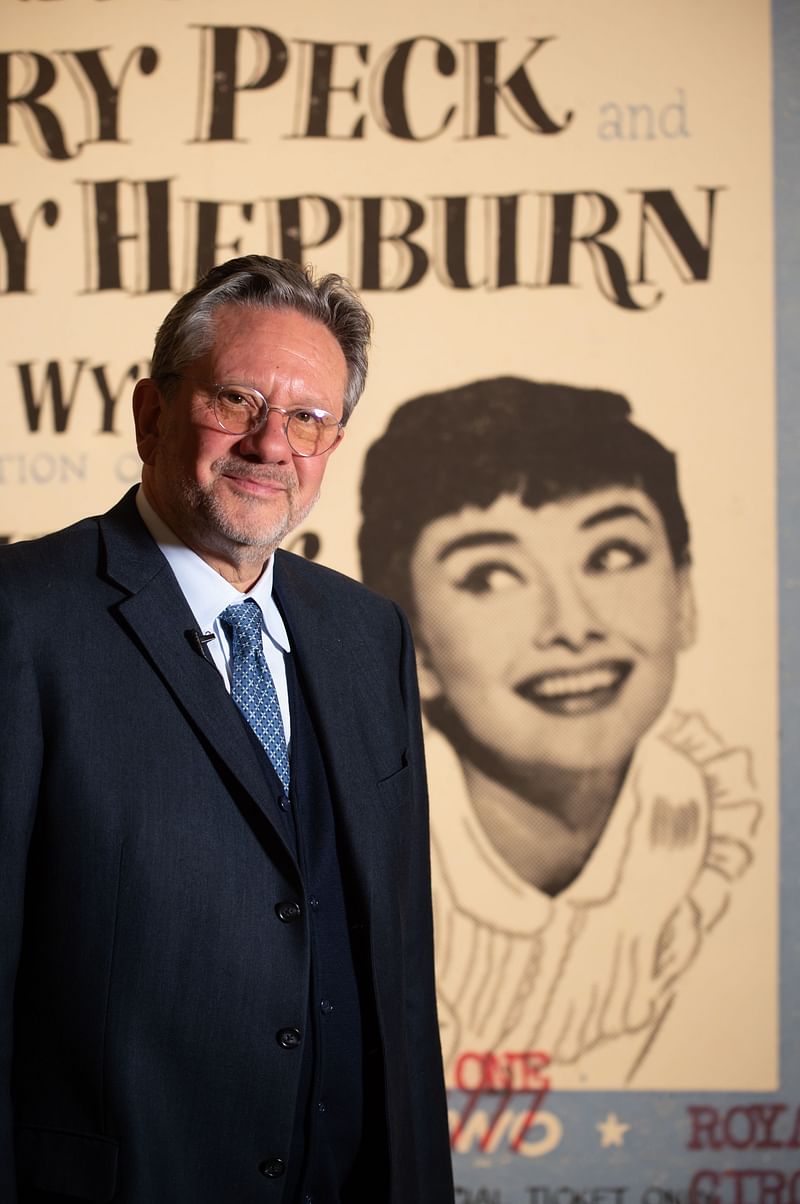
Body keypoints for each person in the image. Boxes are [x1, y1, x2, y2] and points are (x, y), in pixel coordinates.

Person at [0, 255, 454, 1203]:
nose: (270, 443)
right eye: (237, 400)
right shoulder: (22, 619)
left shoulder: (368, 634)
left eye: (307, 418)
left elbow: (399, 979)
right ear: (151, 415)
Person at [360, 376, 761, 1089]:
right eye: (490, 575)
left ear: (685, 595)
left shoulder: (714, 827)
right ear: (411, 641)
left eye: (612, 556)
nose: (572, 626)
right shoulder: (365, 846)